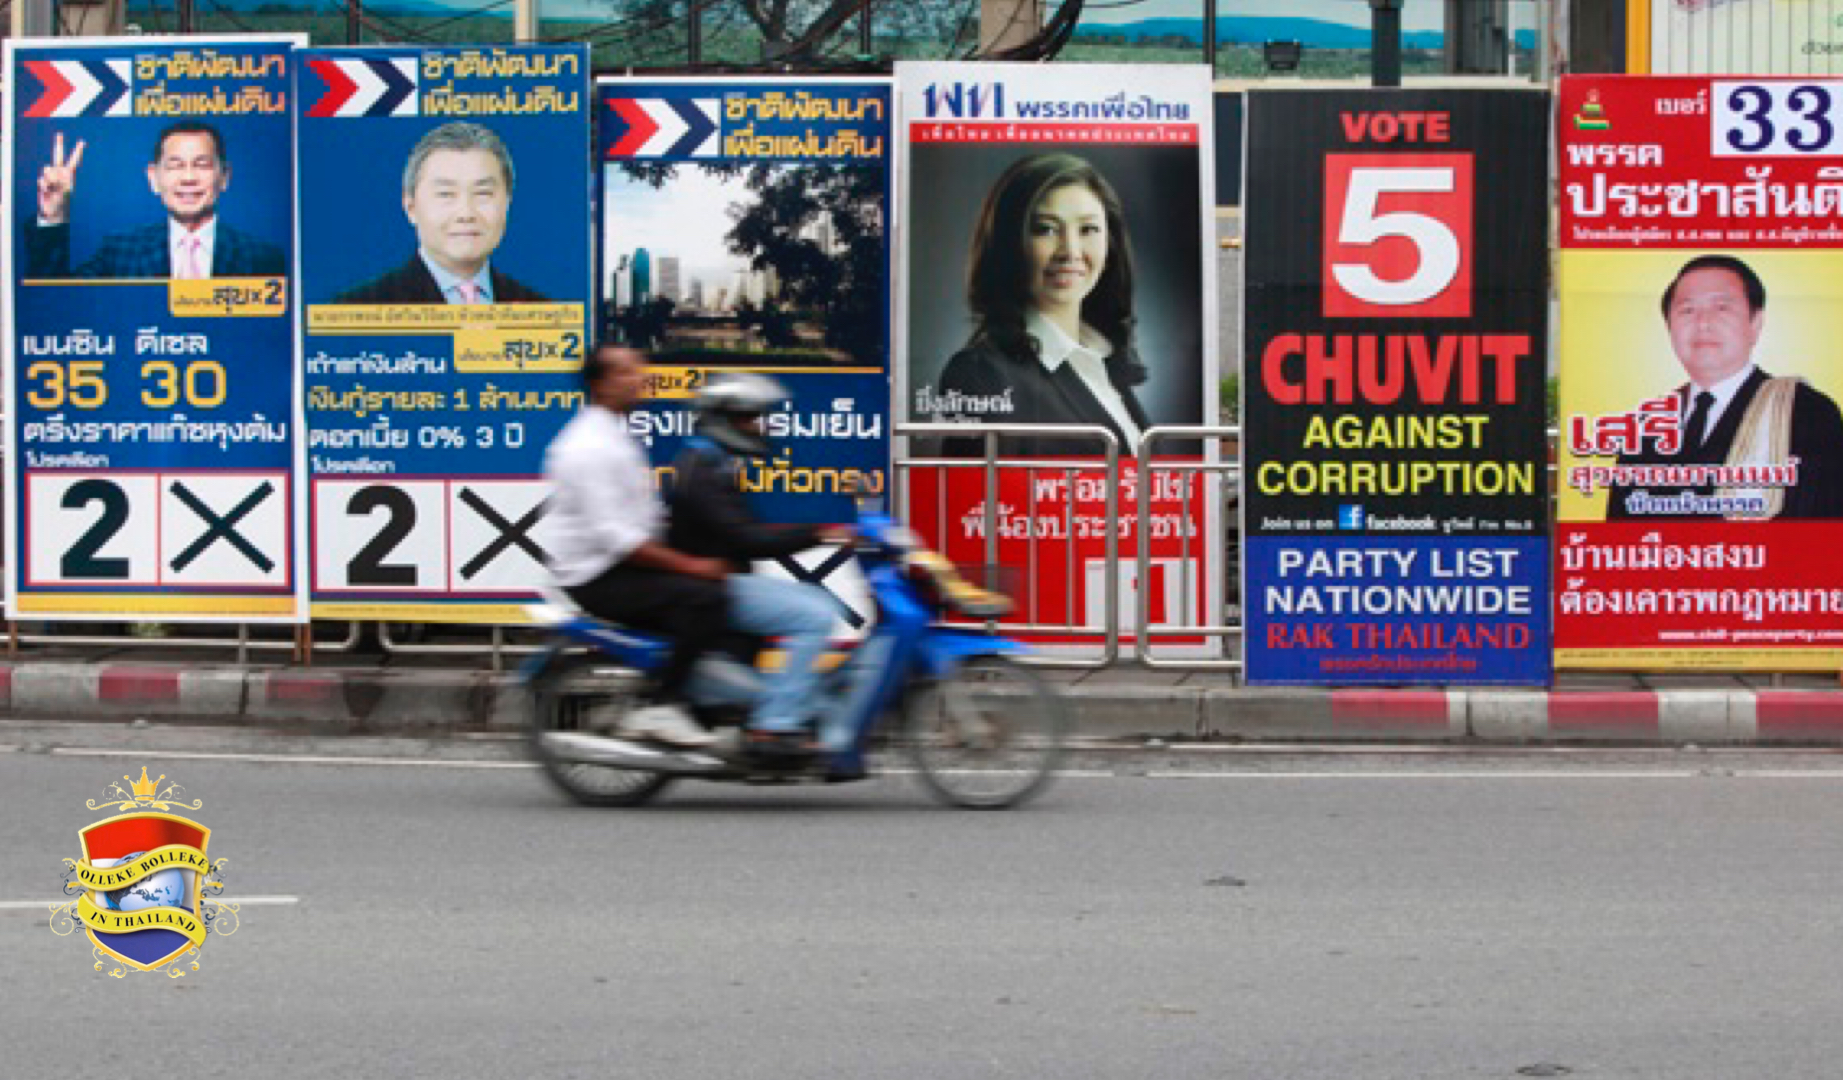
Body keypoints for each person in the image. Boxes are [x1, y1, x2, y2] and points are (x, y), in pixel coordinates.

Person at [542, 343, 729, 748]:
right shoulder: (589, 447)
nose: (640, 377)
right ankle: (665, 705)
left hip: (620, 563)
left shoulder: (615, 433)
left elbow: (644, 518)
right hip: (599, 575)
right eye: (627, 371)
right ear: (602, 385)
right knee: (705, 600)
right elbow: (617, 538)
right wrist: (691, 566)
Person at [667, 373, 849, 760]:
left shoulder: (711, 463)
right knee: (814, 615)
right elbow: (750, 539)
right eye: (748, 420)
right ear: (723, 421)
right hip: (714, 588)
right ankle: (776, 724)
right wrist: (821, 533)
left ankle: (784, 708)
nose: (757, 428)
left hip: (722, 583)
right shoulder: (702, 471)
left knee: (816, 601)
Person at [929, 152, 1151, 457]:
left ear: (1110, 241)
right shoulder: (982, 374)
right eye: (1045, 229)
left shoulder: (1103, 362)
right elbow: (977, 501)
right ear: (1009, 243)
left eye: (1087, 229)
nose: (1070, 251)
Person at [1607, 254, 1843, 520]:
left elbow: (1825, 535)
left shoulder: (1806, 412)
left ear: (1755, 323)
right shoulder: (1647, 424)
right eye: (1687, 310)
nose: (1703, 323)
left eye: (1722, 308)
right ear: (1669, 328)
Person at [25, 122, 285, 280]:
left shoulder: (262, 258)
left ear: (224, 176)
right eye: (175, 166)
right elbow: (53, 305)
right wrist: (54, 216)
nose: (188, 178)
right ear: (153, 178)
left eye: (202, 165)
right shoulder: (120, 252)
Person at [333, 121, 546, 304]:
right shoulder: (357, 306)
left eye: (483, 193)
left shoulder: (542, 310)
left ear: (507, 202)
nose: (466, 214)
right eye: (445, 194)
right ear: (411, 207)